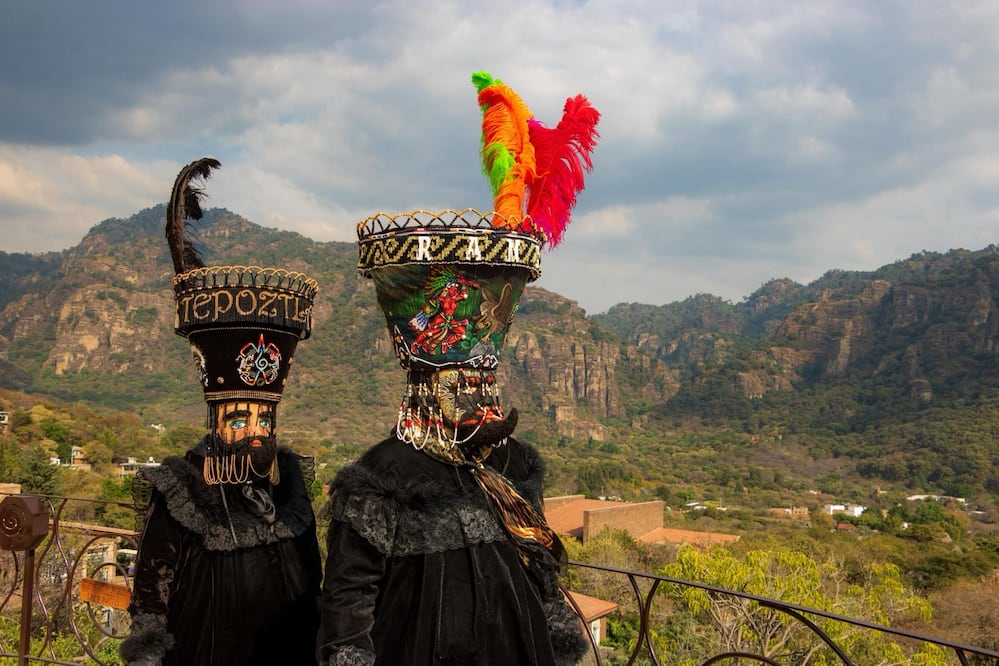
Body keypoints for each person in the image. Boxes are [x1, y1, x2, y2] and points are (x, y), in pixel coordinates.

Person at [319, 72, 600, 666]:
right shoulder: (379, 479)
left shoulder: (512, 463)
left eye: (483, 384)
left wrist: (557, 635)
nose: (477, 399)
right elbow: (349, 609)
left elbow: (541, 573)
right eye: (462, 384)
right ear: (424, 387)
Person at [120, 158, 322, 666]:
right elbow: (151, 596)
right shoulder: (182, 492)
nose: (255, 434)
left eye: (262, 422)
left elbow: (314, 585)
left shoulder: (289, 494)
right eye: (239, 421)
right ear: (216, 420)